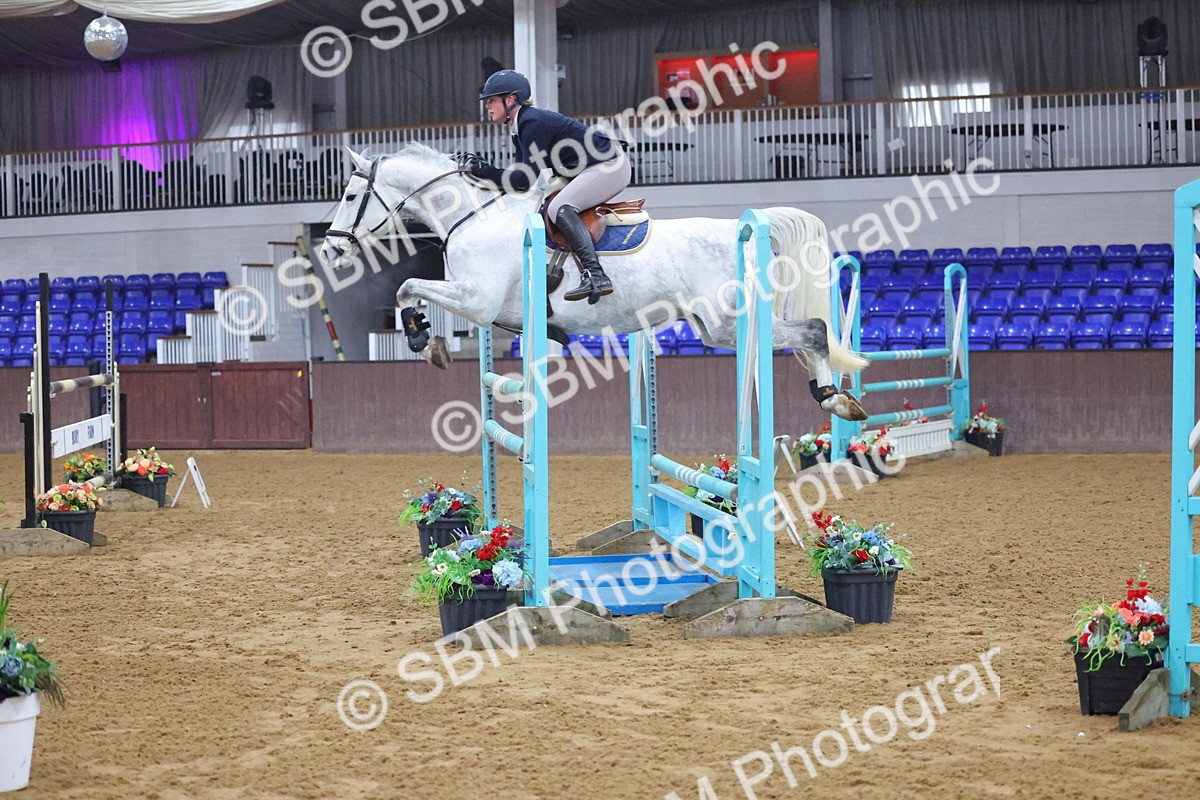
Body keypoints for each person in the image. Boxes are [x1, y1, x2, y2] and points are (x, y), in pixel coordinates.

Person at [466, 69, 632, 304]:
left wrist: (486, 171)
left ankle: (596, 275)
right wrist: (481, 176)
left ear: (510, 100)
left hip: (609, 165)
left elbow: (523, 180)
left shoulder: (532, 123)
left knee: (560, 208)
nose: (487, 106)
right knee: (539, 205)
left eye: (492, 100)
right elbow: (520, 184)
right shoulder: (520, 126)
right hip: (582, 169)